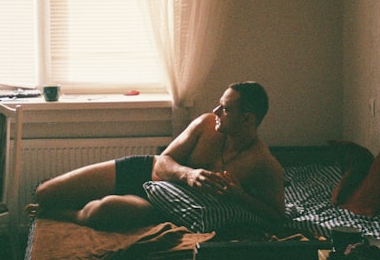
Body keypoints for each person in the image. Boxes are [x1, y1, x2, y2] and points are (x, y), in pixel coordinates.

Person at [31, 82, 285, 230]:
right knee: (45, 192)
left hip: (162, 204)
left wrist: (238, 195)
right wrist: (189, 174)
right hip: (145, 170)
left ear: (247, 119)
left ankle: (60, 214)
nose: (216, 110)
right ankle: (50, 203)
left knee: (101, 210)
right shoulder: (205, 124)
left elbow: (277, 217)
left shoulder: (264, 164)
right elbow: (164, 160)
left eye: (225, 109)